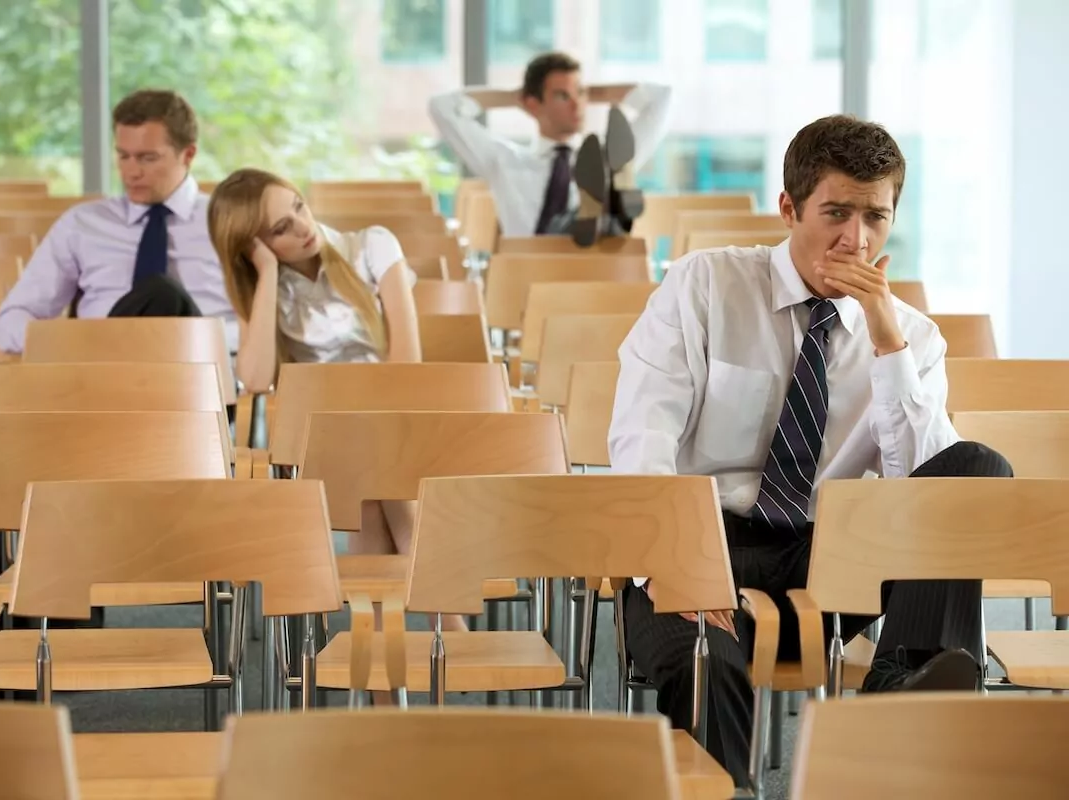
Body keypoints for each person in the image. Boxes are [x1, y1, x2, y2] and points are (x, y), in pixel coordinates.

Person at [608, 114, 1013, 786]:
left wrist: (886, 343)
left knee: (976, 469)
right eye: (836, 213)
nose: (856, 239)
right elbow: (641, 434)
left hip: (829, 559)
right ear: (790, 208)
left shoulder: (911, 338)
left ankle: (897, 689)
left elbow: (924, 494)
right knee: (705, 663)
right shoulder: (705, 286)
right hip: (703, 542)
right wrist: (673, 563)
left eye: (876, 218)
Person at [207, 168, 464, 641]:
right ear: (251, 247)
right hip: (327, 446)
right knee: (367, 479)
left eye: (298, 207)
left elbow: (407, 364)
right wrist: (264, 275)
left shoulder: (372, 246)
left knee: (370, 491)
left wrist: (370, 422)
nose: (303, 227)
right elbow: (258, 378)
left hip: (401, 422)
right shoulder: (270, 289)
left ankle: (384, 687)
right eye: (279, 229)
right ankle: (450, 629)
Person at [0, 89, 236, 354]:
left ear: (188, 155)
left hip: (202, 367)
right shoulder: (82, 224)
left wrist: (200, 336)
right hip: (99, 367)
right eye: (123, 156)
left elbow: (271, 329)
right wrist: (75, 342)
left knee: (163, 293)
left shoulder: (229, 221)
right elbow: (10, 321)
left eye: (147, 158)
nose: (131, 171)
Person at [429, 51, 671, 240]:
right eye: (562, 96)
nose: (577, 105)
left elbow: (663, 98)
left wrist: (596, 93)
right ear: (533, 104)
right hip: (526, 276)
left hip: (592, 277)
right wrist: (514, 97)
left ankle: (604, 215)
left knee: (612, 174)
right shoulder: (504, 161)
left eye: (580, 94)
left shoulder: (609, 158)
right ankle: (588, 219)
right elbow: (442, 107)